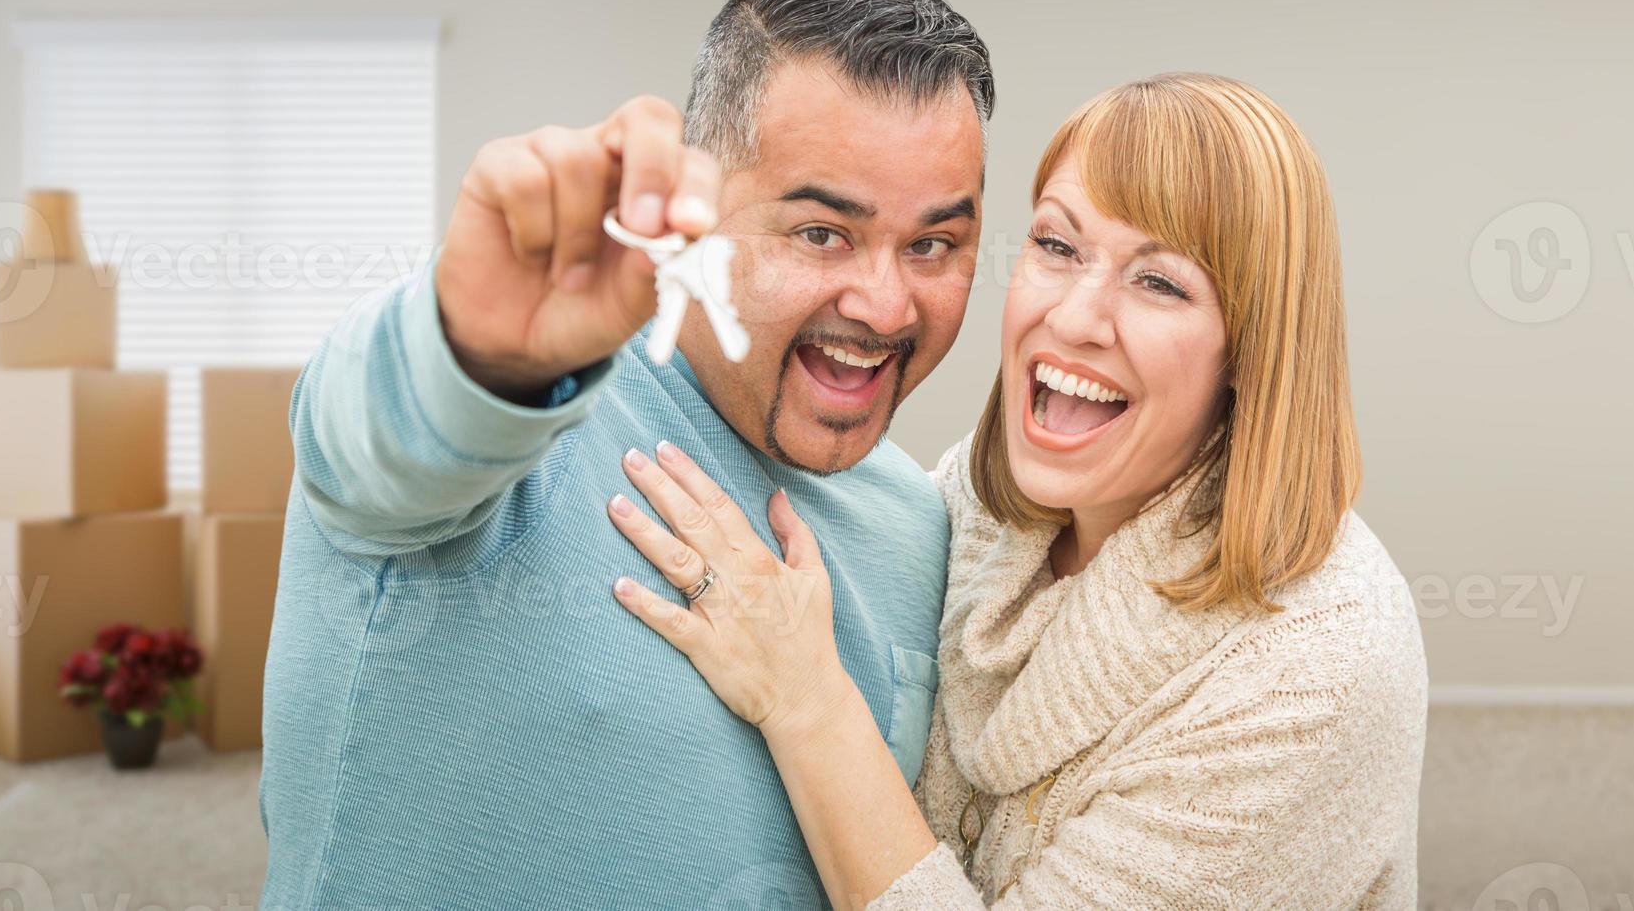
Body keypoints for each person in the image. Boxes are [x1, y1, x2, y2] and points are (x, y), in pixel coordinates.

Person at [261, 0, 992, 908]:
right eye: (821, 232)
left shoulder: (919, 519)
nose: (885, 304)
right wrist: (477, 354)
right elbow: (376, 444)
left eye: (932, 245)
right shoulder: (510, 424)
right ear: (695, 212)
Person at [602, 73, 1428, 909]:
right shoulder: (975, 502)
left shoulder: (1317, 669)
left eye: (1160, 283)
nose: (1073, 318)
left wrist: (807, 704)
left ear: (1254, 354)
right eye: (1057, 247)